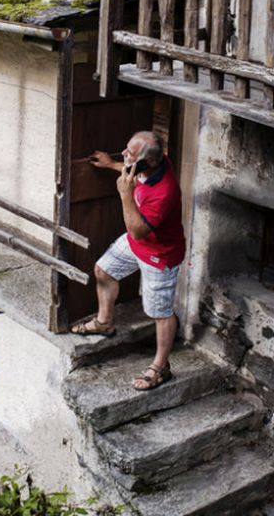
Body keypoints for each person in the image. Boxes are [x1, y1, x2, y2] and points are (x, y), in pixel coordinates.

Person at [72, 130, 186, 392]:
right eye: (127, 149)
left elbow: (137, 229)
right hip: (138, 245)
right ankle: (105, 321)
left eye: (130, 155)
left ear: (150, 163)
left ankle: (161, 367)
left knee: (161, 313)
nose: (124, 155)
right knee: (103, 270)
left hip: (160, 255)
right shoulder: (154, 163)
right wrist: (112, 164)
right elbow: (131, 171)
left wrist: (125, 194)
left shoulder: (164, 192)